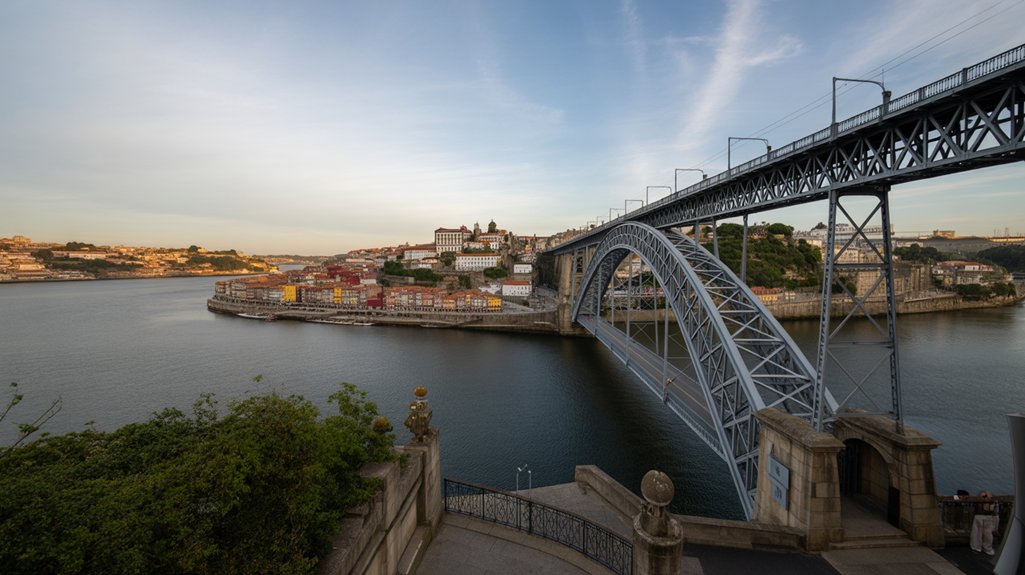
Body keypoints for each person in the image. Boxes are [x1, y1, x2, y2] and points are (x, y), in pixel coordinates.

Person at [970, 490, 999, 556]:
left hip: (981, 516)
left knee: (977, 533)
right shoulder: (993, 501)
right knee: (986, 533)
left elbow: (974, 509)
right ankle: (987, 548)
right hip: (987, 517)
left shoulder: (979, 501)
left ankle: (977, 547)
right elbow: (996, 511)